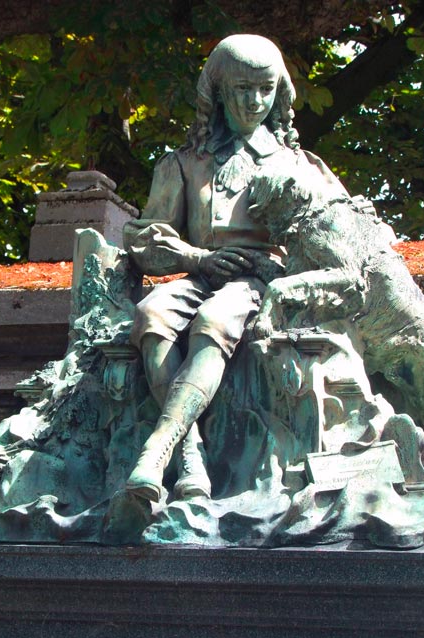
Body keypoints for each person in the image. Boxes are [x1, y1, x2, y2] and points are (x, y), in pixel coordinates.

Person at [123, 34, 346, 502]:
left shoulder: (299, 166)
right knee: (152, 314)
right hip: (198, 274)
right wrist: (197, 257)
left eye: (266, 89)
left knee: (213, 320)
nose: (255, 101)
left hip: (262, 284)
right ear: (218, 91)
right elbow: (146, 238)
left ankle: (158, 450)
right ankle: (188, 453)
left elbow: (337, 237)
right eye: (243, 88)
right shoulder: (185, 164)